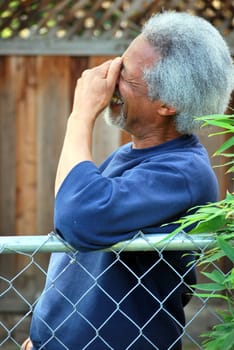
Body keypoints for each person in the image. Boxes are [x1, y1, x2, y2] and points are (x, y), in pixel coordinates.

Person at [22, 11, 233, 350]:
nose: (111, 80)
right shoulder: (128, 157)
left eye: (126, 77)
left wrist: (81, 114)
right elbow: (72, 252)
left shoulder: (182, 174)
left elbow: (79, 219)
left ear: (168, 104)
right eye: (119, 64)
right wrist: (41, 332)